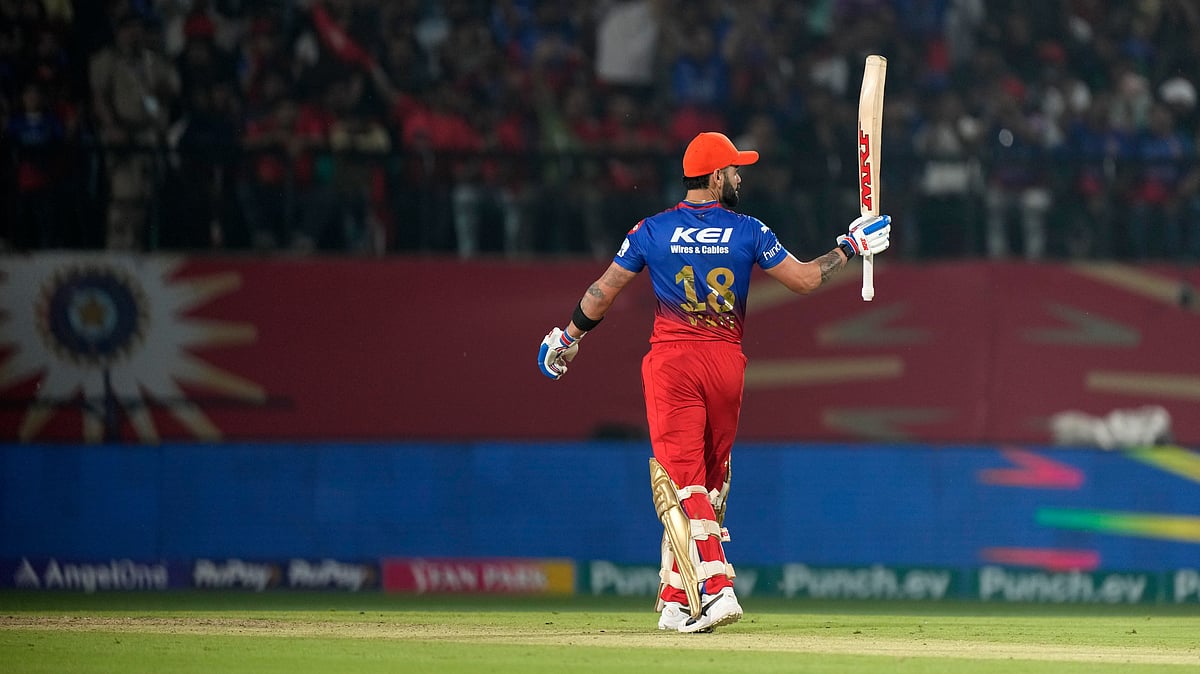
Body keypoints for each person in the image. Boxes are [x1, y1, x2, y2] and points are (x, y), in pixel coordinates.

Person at [534, 132, 892, 632]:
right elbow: (807, 279)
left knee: (682, 482)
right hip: (727, 362)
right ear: (716, 176)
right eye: (735, 169)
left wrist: (566, 337)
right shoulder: (748, 230)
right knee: (709, 482)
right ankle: (676, 596)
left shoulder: (650, 232)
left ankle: (718, 589)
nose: (740, 177)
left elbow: (601, 292)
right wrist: (850, 245)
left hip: (674, 362)